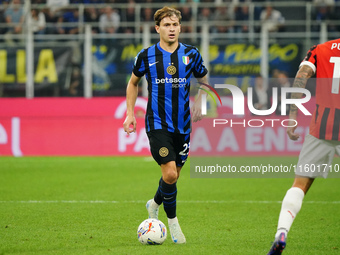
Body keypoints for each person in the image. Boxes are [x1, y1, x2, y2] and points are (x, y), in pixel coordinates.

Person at [123, 6, 208, 244]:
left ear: (180, 27)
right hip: (157, 124)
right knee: (169, 173)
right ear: (157, 28)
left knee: (173, 177)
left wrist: (200, 99)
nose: (172, 29)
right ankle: (173, 225)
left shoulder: (191, 54)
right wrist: (130, 113)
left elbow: (203, 79)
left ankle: (154, 203)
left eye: (175, 25)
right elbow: (133, 83)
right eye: (167, 25)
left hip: (183, 126)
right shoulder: (146, 55)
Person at [267, 38, 340, 254]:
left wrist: (292, 115)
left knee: (300, 184)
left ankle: (282, 232)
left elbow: (301, 76)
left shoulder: (320, 49)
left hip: (322, 128)